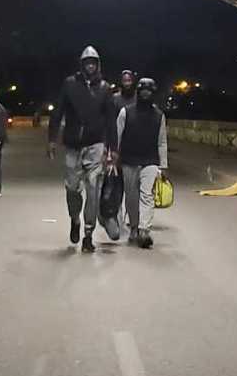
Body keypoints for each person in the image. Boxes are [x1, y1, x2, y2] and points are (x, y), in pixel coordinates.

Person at [48, 46, 119, 252]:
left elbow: (111, 121)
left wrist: (112, 149)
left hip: (95, 144)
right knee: (72, 187)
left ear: (98, 65)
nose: (90, 66)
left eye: (93, 63)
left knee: (94, 188)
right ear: (82, 64)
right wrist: (52, 139)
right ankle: (74, 219)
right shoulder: (70, 84)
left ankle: (88, 233)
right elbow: (58, 111)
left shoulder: (105, 88)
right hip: (72, 144)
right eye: (87, 62)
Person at [114, 76, 169, 249]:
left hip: (150, 161)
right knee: (131, 197)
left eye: (149, 91)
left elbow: (162, 142)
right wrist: (113, 158)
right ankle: (134, 228)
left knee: (147, 195)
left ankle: (144, 230)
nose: (146, 94)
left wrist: (163, 165)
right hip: (129, 161)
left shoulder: (159, 116)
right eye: (143, 91)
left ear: (153, 94)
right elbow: (117, 137)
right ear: (139, 92)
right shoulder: (126, 112)